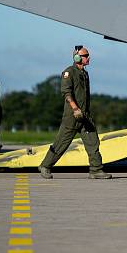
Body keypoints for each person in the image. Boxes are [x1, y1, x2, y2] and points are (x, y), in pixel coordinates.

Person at [38, 46, 111, 180]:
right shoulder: (69, 72)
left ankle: (96, 170)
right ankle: (45, 166)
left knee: (93, 142)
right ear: (77, 57)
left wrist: (84, 112)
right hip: (72, 116)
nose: (88, 58)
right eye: (86, 55)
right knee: (61, 143)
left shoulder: (84, 73)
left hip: (85, 116)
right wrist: (75, 108)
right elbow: (67, 93)